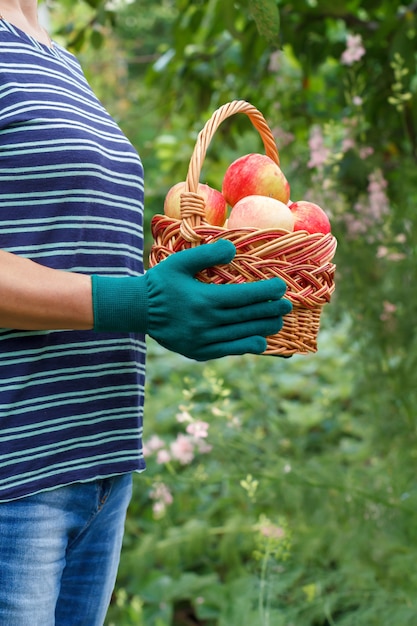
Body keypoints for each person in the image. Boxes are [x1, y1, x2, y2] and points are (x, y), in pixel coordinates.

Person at [0, 2, 292, 624]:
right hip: (15, 474)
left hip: (97, 466)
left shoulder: (53, 53)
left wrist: (179, 296)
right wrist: (136, 301)